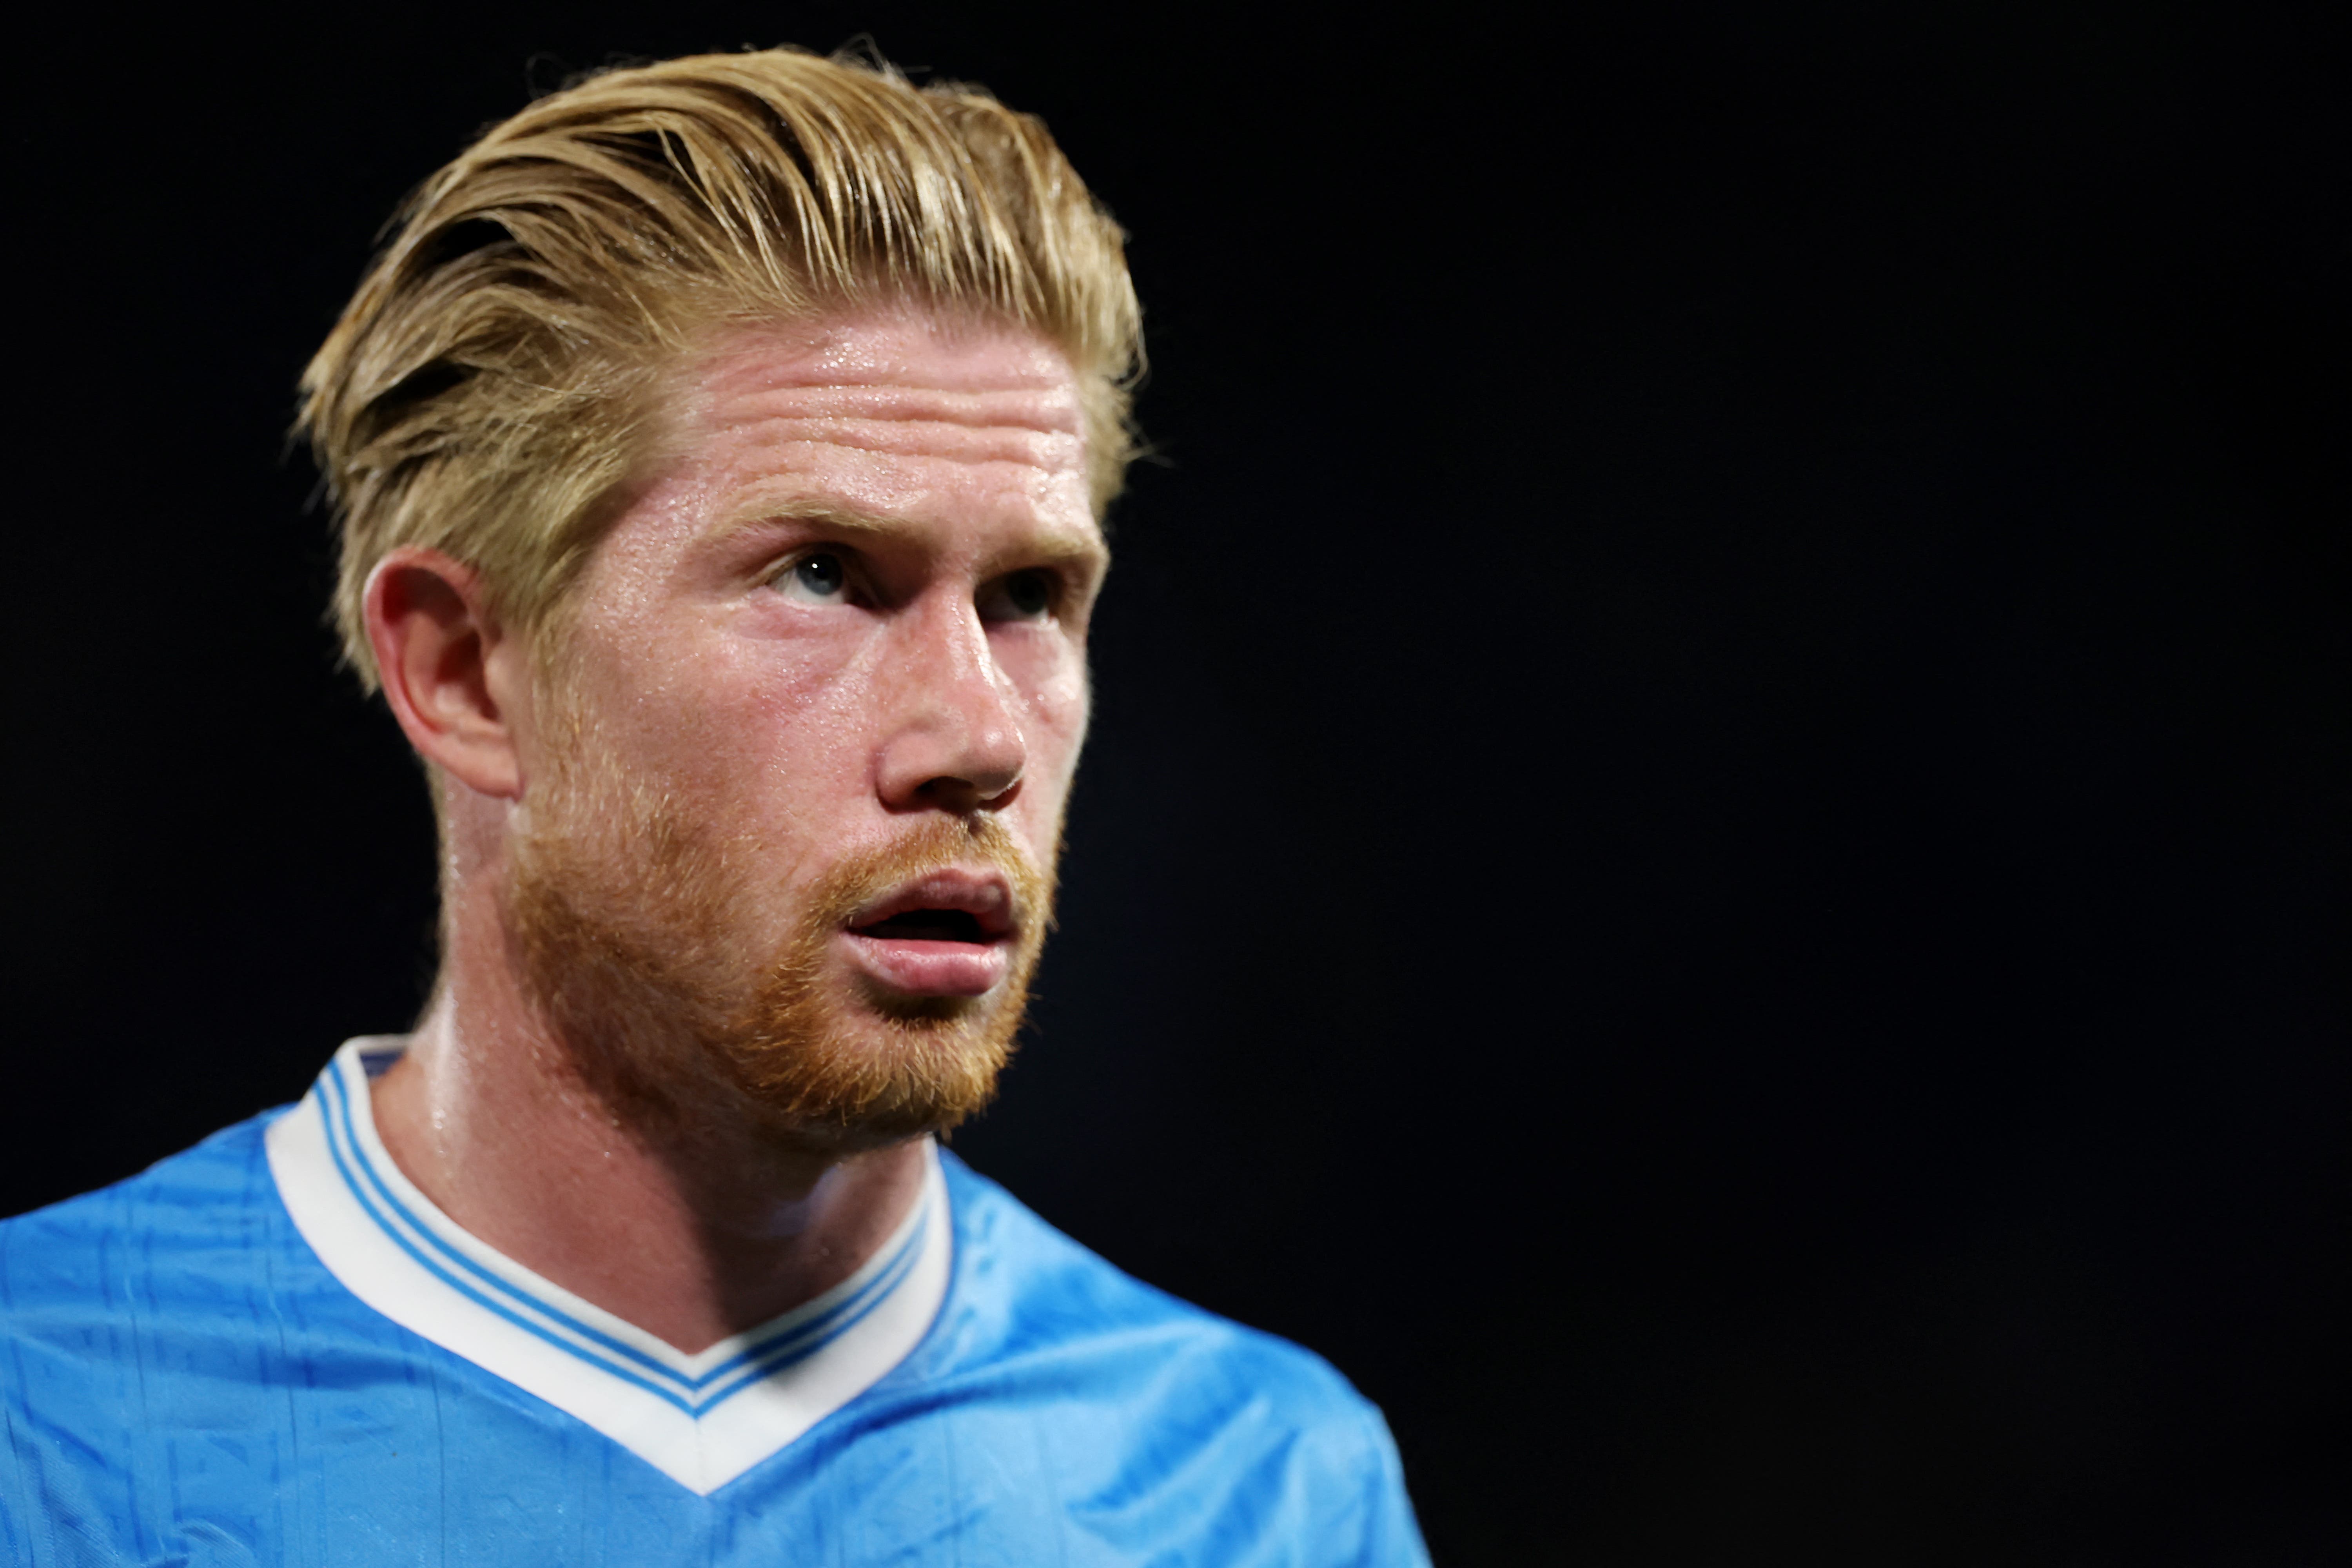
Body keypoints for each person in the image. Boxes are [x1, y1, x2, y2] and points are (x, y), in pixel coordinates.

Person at [0, 48, 1427, 1565]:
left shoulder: (1258, 1492)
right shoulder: (42, 1427)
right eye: (822, 573)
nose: (981, 737)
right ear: (471, 673)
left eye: (1028, 595)